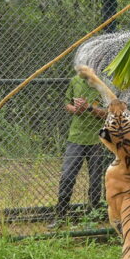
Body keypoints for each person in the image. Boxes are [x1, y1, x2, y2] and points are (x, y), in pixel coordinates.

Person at [48, 70, 108, 228]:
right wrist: (75, 109)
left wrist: (89, 108)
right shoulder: (75, 80)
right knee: (67, 176)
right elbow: (67, 104)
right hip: (76, 138)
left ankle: (92, 217)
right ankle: (60, 215)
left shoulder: (104, 84)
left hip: (97, 140)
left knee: (95, 180)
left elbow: (109, 114)